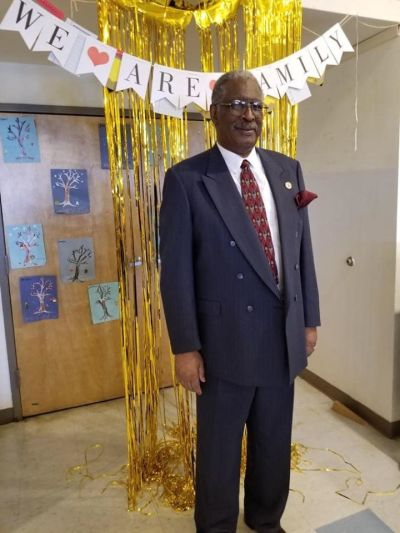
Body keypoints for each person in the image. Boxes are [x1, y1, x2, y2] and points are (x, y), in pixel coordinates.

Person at [159, 70, 320, 533]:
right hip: (221, 345)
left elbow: (300, 250)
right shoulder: (188, 180)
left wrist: (309, 318)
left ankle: (267, 520)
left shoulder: (288, 171)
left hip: (281, 339)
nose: (248, 115)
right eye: (236, 105)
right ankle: (216, 526)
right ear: (214, 113)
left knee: (274, 443)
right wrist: (185, 347)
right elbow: (176, 273)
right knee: (219, 452)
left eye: (256, 106)